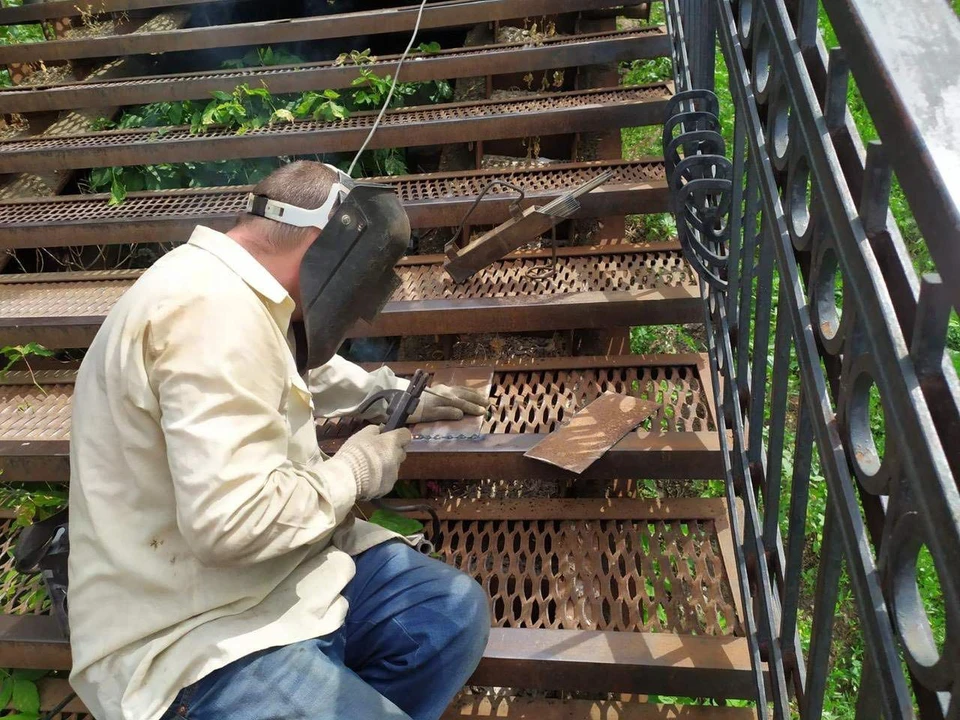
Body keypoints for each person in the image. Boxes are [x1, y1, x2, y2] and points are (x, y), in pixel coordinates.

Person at [67, 161, 491, 720]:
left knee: (448, 615)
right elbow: (231, 522)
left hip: (281, 576)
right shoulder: (207, 312)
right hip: (193, 631)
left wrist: (384, 391)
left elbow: (289, 364)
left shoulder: (235, 290)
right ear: (328, 245)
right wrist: (355, 472)